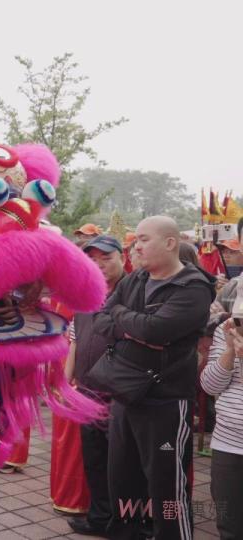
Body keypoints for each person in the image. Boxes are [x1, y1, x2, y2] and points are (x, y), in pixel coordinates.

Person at [92, 216, 216, 540]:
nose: (136, 247)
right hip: (124, 395)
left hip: (165, 402)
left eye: (144, 240)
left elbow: (155, 329)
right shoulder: (135, 280)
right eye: (136, 241)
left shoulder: (193, 288)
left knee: (166, 491)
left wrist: (128, 323)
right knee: (122, 483)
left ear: (170, 243)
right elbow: (102, 319)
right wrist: (133, 324)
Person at [64, 235, 127, 536]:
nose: (100, 264)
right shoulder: (83, 295)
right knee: (94, 459)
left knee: (123, 464)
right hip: (88, 392)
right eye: (92, 259)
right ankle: (100, 518)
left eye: (107, 257)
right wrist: (67, 382)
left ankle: (125, 522)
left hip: (120, 395)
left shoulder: (133, 295)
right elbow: (76, 341)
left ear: (122, 259)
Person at [200, 319, 243, 539]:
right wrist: (229, 350)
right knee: (230, 525)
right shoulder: (228, 328)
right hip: (229, 442)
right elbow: (210, 385)